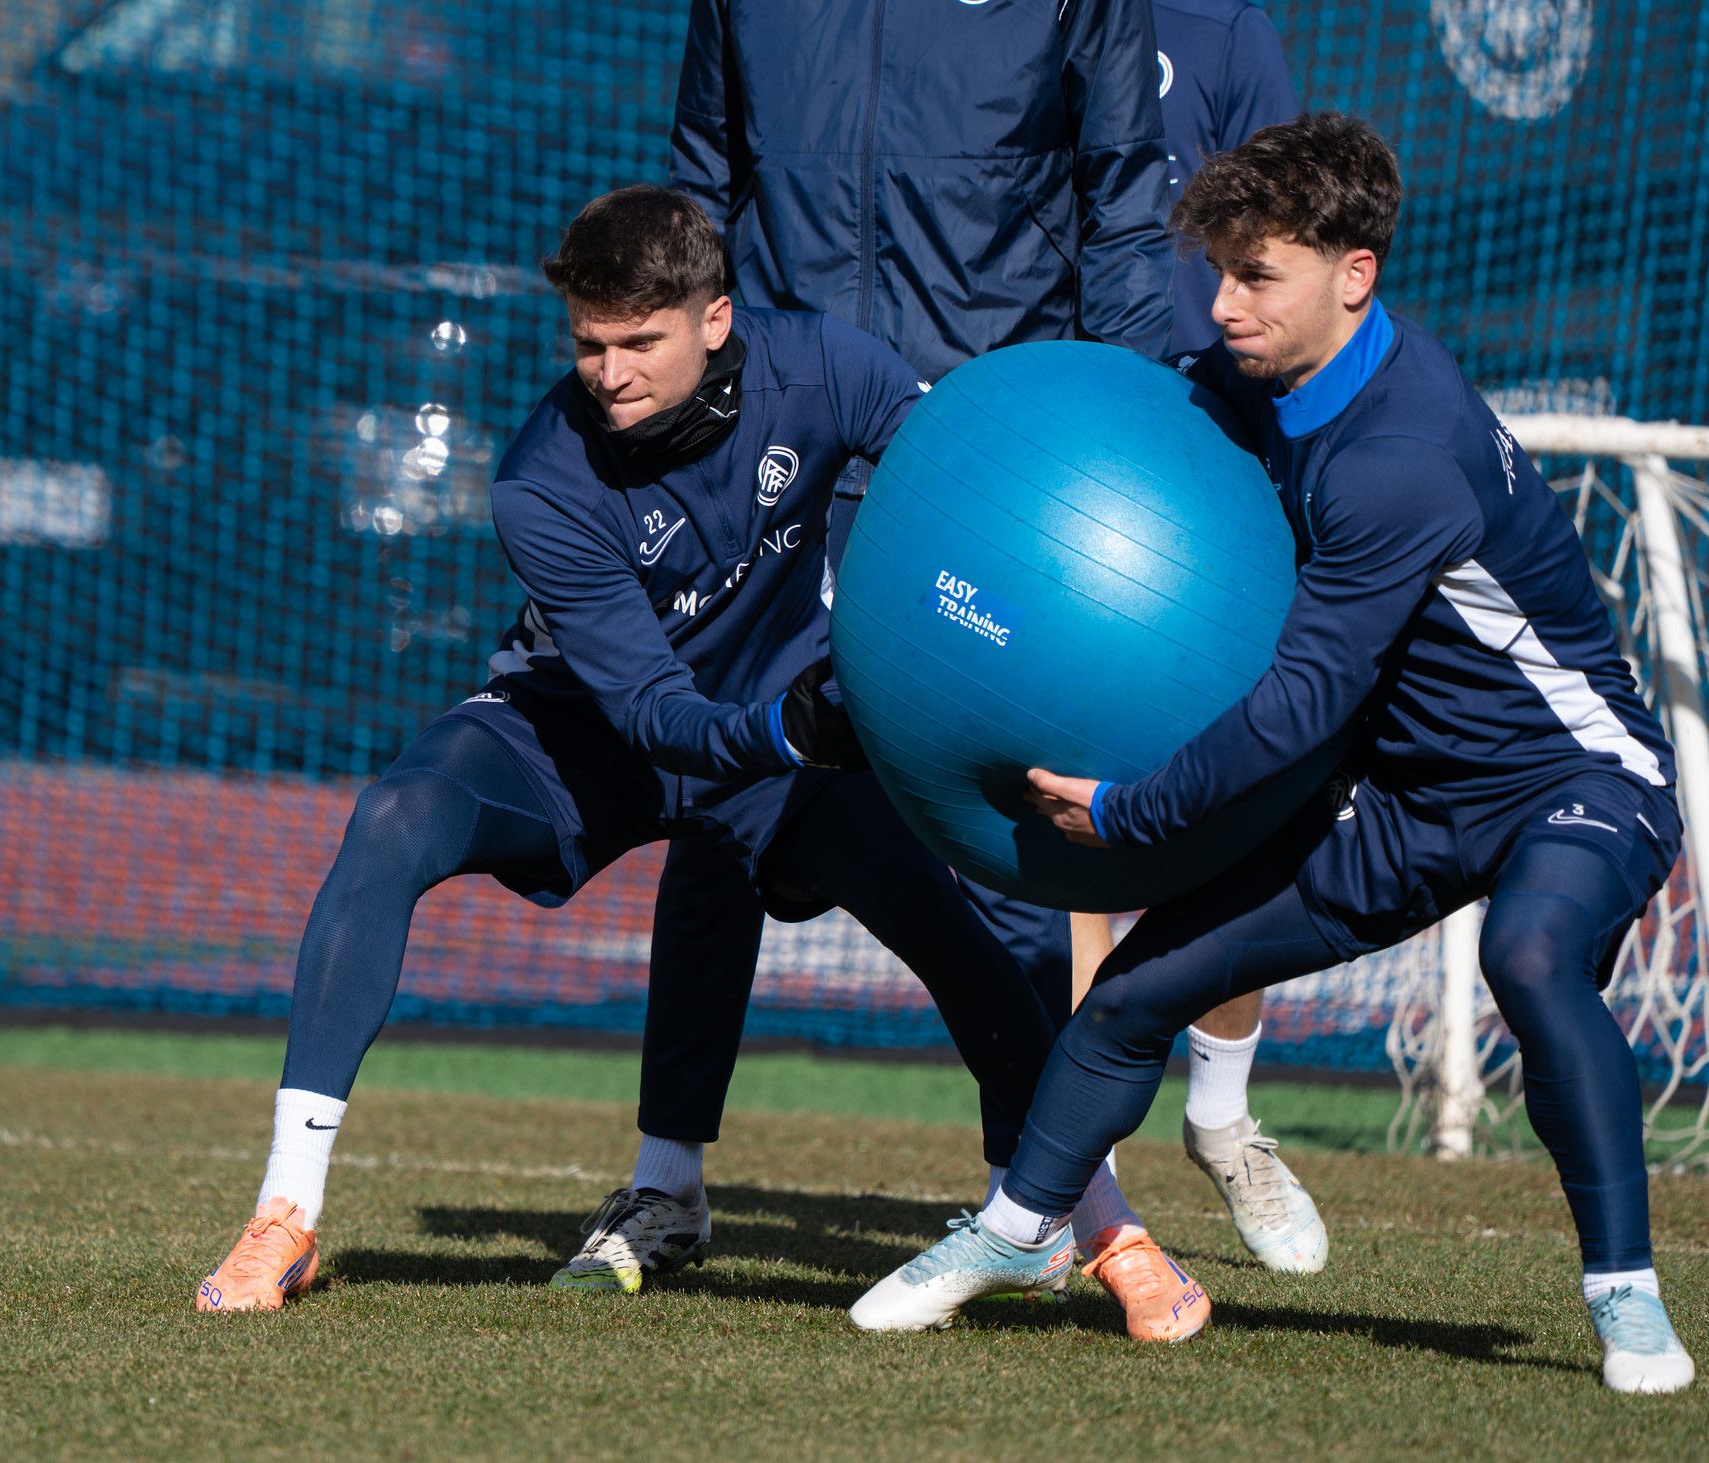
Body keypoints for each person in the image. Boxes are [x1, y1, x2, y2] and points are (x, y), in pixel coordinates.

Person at [852, 114, 1698, 1396]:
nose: (1224, 303)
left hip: (1569, 781)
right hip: (1405, 799)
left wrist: (1131, 809)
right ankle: (1013, 1231)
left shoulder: (1401, 458)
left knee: (1527, 954)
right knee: (1136, 991)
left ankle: (1624, 1297)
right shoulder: (1258, 384)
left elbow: (1301, 701)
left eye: (1257, 276)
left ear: (1352, 275)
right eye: (1218, 271)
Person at [193, 185, 1142, 1312]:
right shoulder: (539, 480)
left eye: (640, 339)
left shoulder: (826, 364)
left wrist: (990, 630)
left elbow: (957, 485)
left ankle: (1090, 1225)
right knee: (392, 817)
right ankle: (284, 1214)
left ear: (715, 317)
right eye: (589, 344)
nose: (610, 372)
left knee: (957, 932)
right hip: (589, 734)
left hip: (782, 743)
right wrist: (789, 726)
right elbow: (651, 712)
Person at [581, 0, 1213, 1343]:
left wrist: (1131, 420)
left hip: (978, 461)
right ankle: (667, 1179)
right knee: (724, 793)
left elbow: (1117, 197)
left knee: (1009, 828)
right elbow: (701, 186)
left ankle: (1050, 1203)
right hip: (778, 445)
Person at [1149, 0, 1327, 1277]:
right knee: (1053, 789)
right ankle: (1066, 1172)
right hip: (1053, 417)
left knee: (1240, 788)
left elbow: (1279, 220)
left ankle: (1218, 1114)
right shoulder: (976, 26)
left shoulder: (1215, 24)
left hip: (1207, 435)